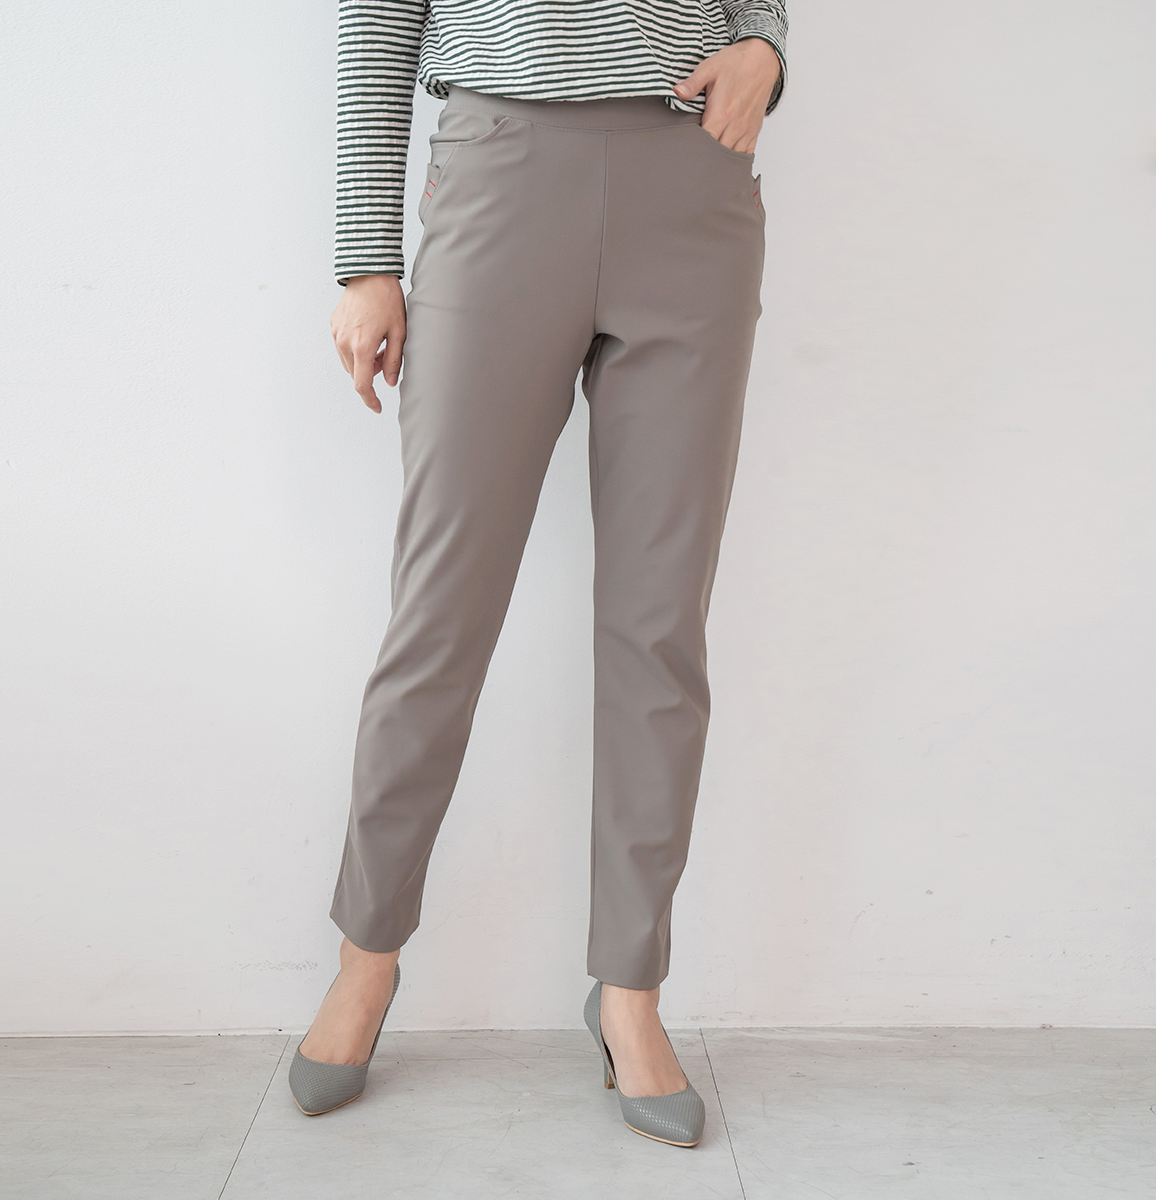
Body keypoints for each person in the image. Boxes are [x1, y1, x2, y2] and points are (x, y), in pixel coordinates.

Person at [289, 1, 788, 1148]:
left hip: (693, 177)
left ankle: (630, 990)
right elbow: (376, 24)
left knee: (660, 624)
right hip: (501, 169)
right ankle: (367, 958)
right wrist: (366, 259)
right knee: (441, 613)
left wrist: (766, 47)